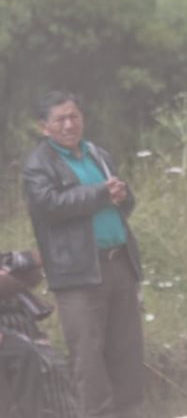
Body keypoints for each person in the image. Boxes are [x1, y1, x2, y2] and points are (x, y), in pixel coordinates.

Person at [22, 92, 144, 418]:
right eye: (60, 119)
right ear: (44, 127)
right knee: (88, 360)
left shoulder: (97, 154)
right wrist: (101, 193)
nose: (68, 124)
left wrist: (121, 194)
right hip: (78, 274)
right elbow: (49, 206)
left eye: (74, 116)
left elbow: (123, 205)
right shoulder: (39, 164)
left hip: (119, 263)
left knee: (127, 353)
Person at [0, 249, 78, 418]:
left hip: (21, 326)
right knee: (25, 356)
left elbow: (33, 273)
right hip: (11, 337)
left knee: (53, 369)